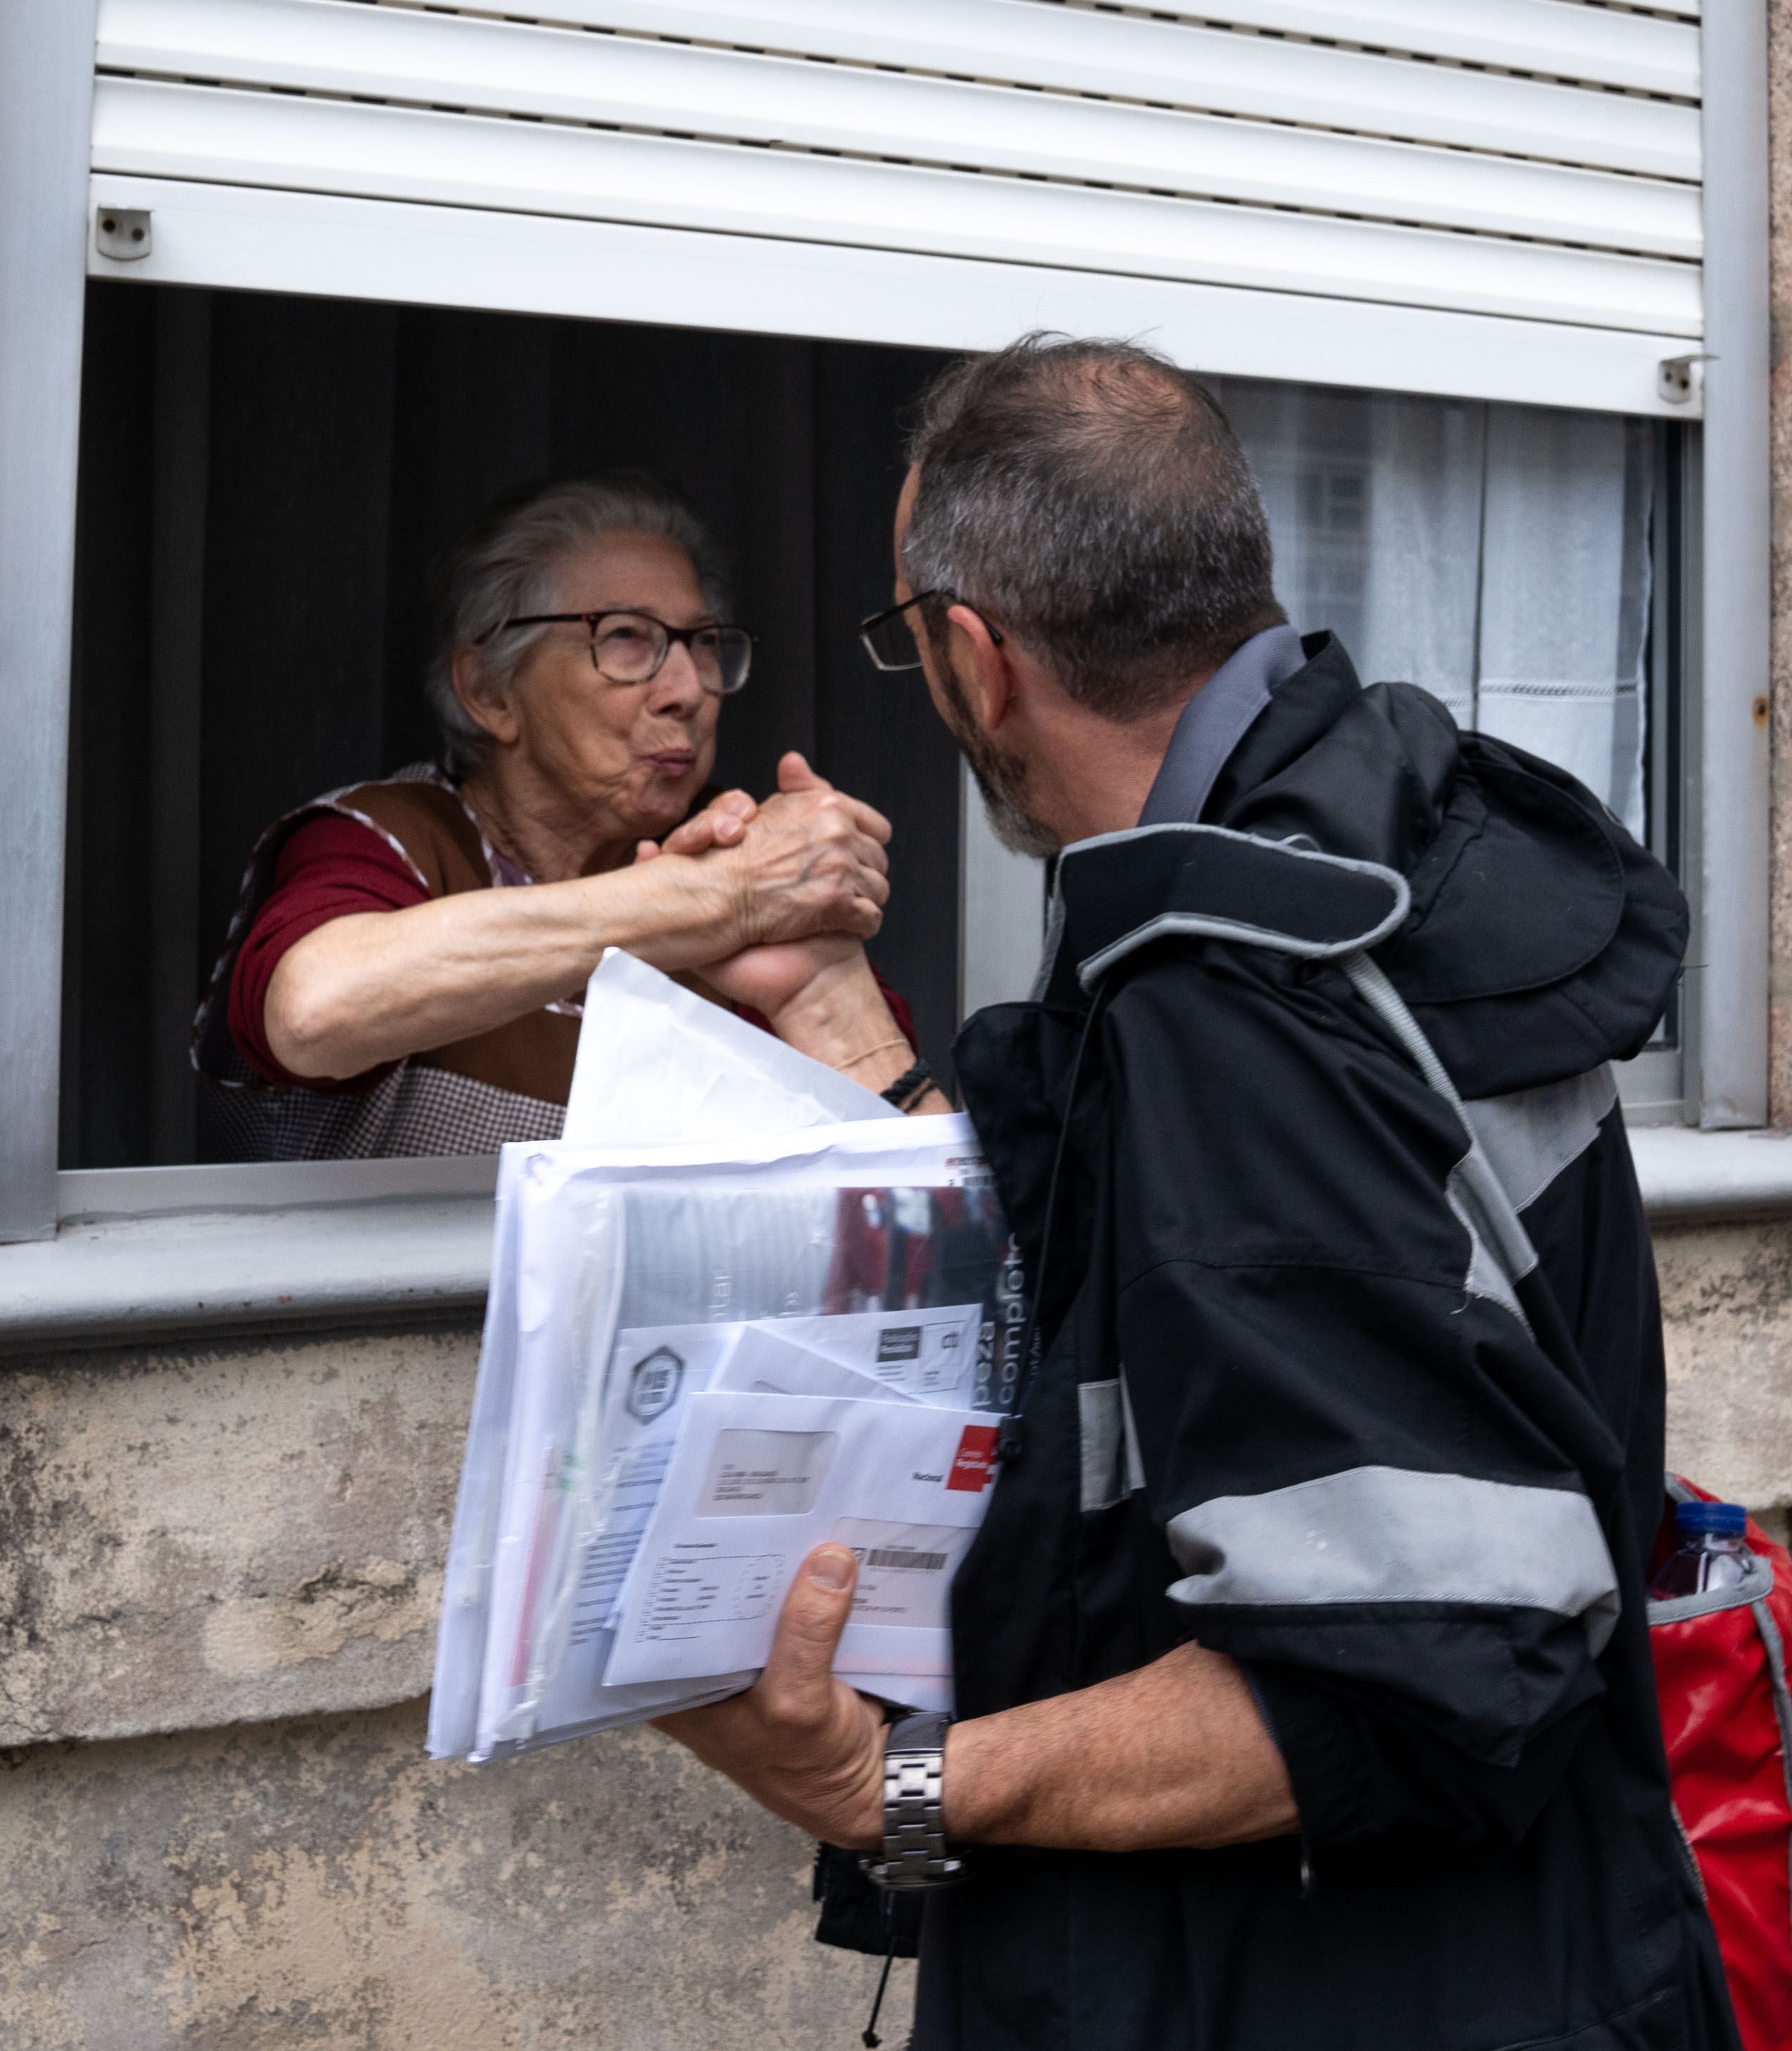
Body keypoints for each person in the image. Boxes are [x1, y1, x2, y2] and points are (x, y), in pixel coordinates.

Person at [659, 339, 1738, 2050]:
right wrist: (839, 1020)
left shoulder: (1247, 990)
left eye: (906, 632)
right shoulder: (1355, 857)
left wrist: (901, 1785)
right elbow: (1152, 1290)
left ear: (977, 658)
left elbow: (1417, 1671)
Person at [191, 472, 917, 1159]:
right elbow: (314, 1009)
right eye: (627, 637)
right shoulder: (388, 838)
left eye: (702, 643)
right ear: (489, 691)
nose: (687, 689)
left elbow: (894, 1169)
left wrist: (804, 958)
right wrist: (706, 900)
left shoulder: (738, 853)